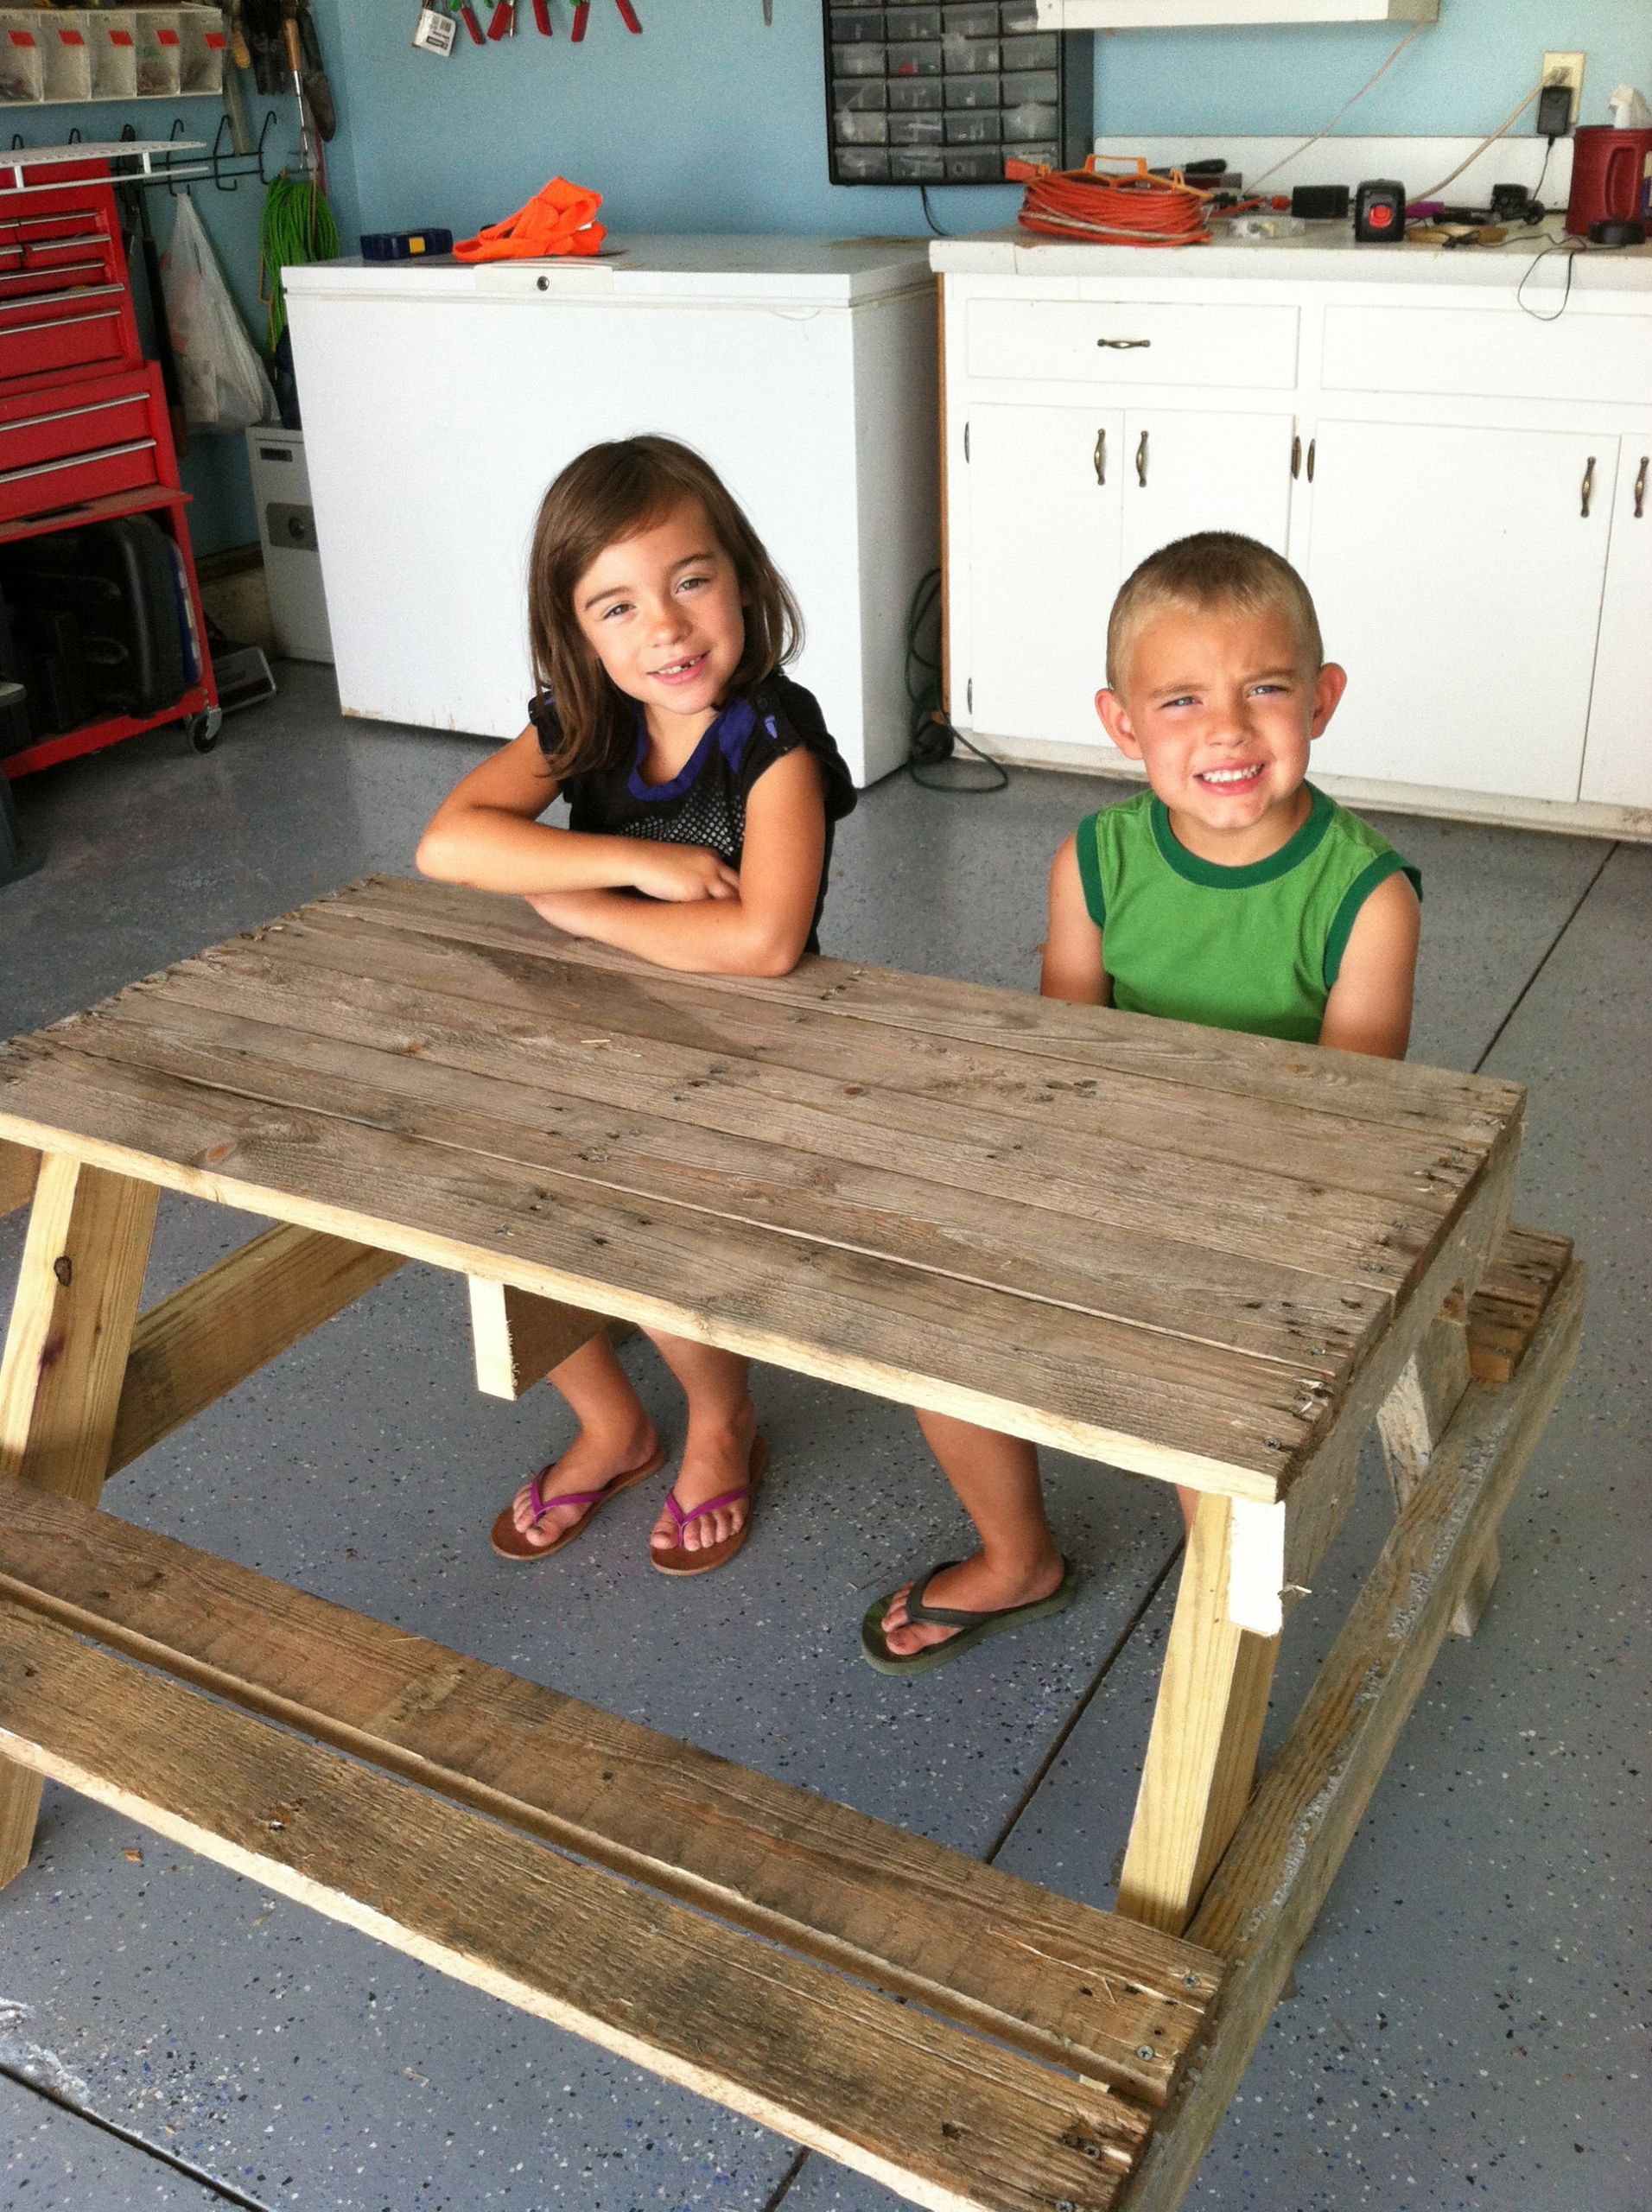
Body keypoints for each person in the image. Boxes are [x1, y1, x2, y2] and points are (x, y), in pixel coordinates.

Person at [863, 531, 1422, 1674]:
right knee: (933, 1336)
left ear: (1322, 701)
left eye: (1264, 690)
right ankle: (1018, 1556)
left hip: (1270, 1211)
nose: (1224, 729)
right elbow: (1066, 1066)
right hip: (1111, 1175)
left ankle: (1224, 1625)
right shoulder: (1095, 862)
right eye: (1180, 701)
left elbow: (1345, 1134)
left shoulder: (1365, 897)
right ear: (1122, 724)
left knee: (1207, 1418)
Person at [416, 435, 855, 1576]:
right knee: (489, 1193)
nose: (662, 629)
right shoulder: (583, 719)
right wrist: (636, 866)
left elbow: (762, 941)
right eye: (616, 606)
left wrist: (580, 903)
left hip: (749, 1052)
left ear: (746, 584)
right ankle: (614, 1422)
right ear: (577, 633)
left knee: (650, 1226)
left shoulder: (775, 740)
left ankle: (722, 1419)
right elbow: (449, 844)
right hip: (603, 1034)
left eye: (690, 582)